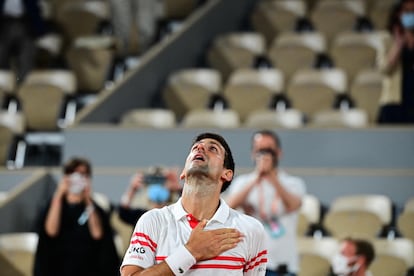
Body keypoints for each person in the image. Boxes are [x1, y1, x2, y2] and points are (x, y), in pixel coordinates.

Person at [120, 132, 268, 275]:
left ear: (227, 174)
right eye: (195, 147)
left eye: (212, 148)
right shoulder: (152, 220)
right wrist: (190, 252)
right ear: (183, 172)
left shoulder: (251, 230)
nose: (200, 148)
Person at [226, 129, 306, 276]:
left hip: (283, 264)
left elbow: (293, 204)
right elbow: (229, 206)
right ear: (253, 154)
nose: (265, 155)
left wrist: (271, 176)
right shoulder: (242, 182)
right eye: (260, 151)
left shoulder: (292, 182)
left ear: (279, 153)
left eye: (269, 150)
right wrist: (257, 176)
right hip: (250, 262)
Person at [33, 157, 120, 276]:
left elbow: (98, 234)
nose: (77, 178)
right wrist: (59, 193)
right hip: (57, 267)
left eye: (83, 174)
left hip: (89, 268)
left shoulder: (94, 207)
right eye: (73, 173)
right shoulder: (54, 205)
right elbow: (50, 232)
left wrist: (87, 198)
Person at [378, 0, 414, 124]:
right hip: (394, 102)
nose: (411, 15)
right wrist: (398, 45)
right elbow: (384, 69)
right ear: (398, 14)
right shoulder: (386, 39)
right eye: (407, 11)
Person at [0, 0, 48, 83]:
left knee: (27, 52)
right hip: (3, 25)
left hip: (25, 25)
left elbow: (35, 13)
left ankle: (22, 85)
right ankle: (4, 83)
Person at [118, 166, 183, 226]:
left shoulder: (175, 215)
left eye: (161, 181)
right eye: (154, 181)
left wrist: (179, 188)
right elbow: (123, 213)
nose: (158, 185)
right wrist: (132, 189)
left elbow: (191, 210)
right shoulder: (142, 216)